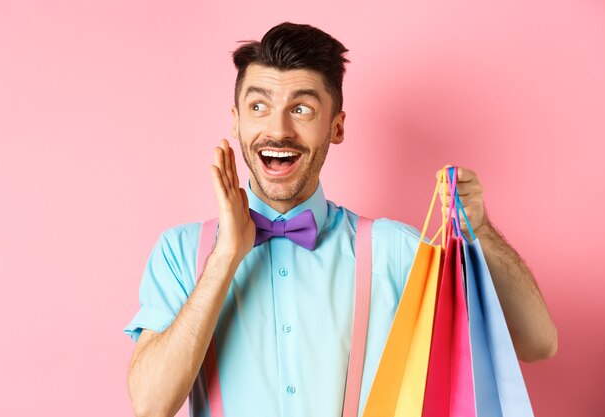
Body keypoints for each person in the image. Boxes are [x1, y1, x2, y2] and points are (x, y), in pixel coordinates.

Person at [124, 22, 557, 417]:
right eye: (258, 106)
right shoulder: (181, 253)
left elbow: (537, 343)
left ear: (336, 126)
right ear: (236, 122)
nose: (278, 130)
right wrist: (223, 259)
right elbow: (150, 404)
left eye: (302, 109)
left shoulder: (395, 250)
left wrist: (480, 231)